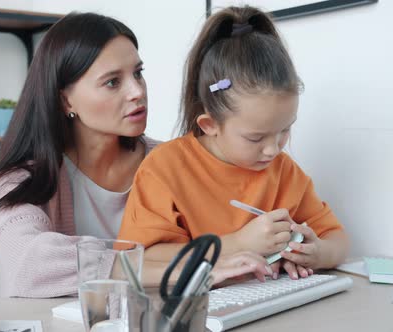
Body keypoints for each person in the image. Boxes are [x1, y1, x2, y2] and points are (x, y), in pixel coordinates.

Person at [0, 12, 269, 298]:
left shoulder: (173, 162)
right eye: (113, 82)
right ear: (65, 100)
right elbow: (27, 263)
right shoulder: (22, 180)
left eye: (138, 74)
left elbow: (229, 242)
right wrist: (183, 270)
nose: (136, 91)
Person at [118, 6, 350, 285]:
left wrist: (316, 253)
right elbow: (139, 260)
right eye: (255, 138)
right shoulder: (165, 168)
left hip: (266, 303)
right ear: (209, 125)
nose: (273, 149)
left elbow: (337, 240)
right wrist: (238, 242)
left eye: (284, 130)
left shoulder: (285, 172)